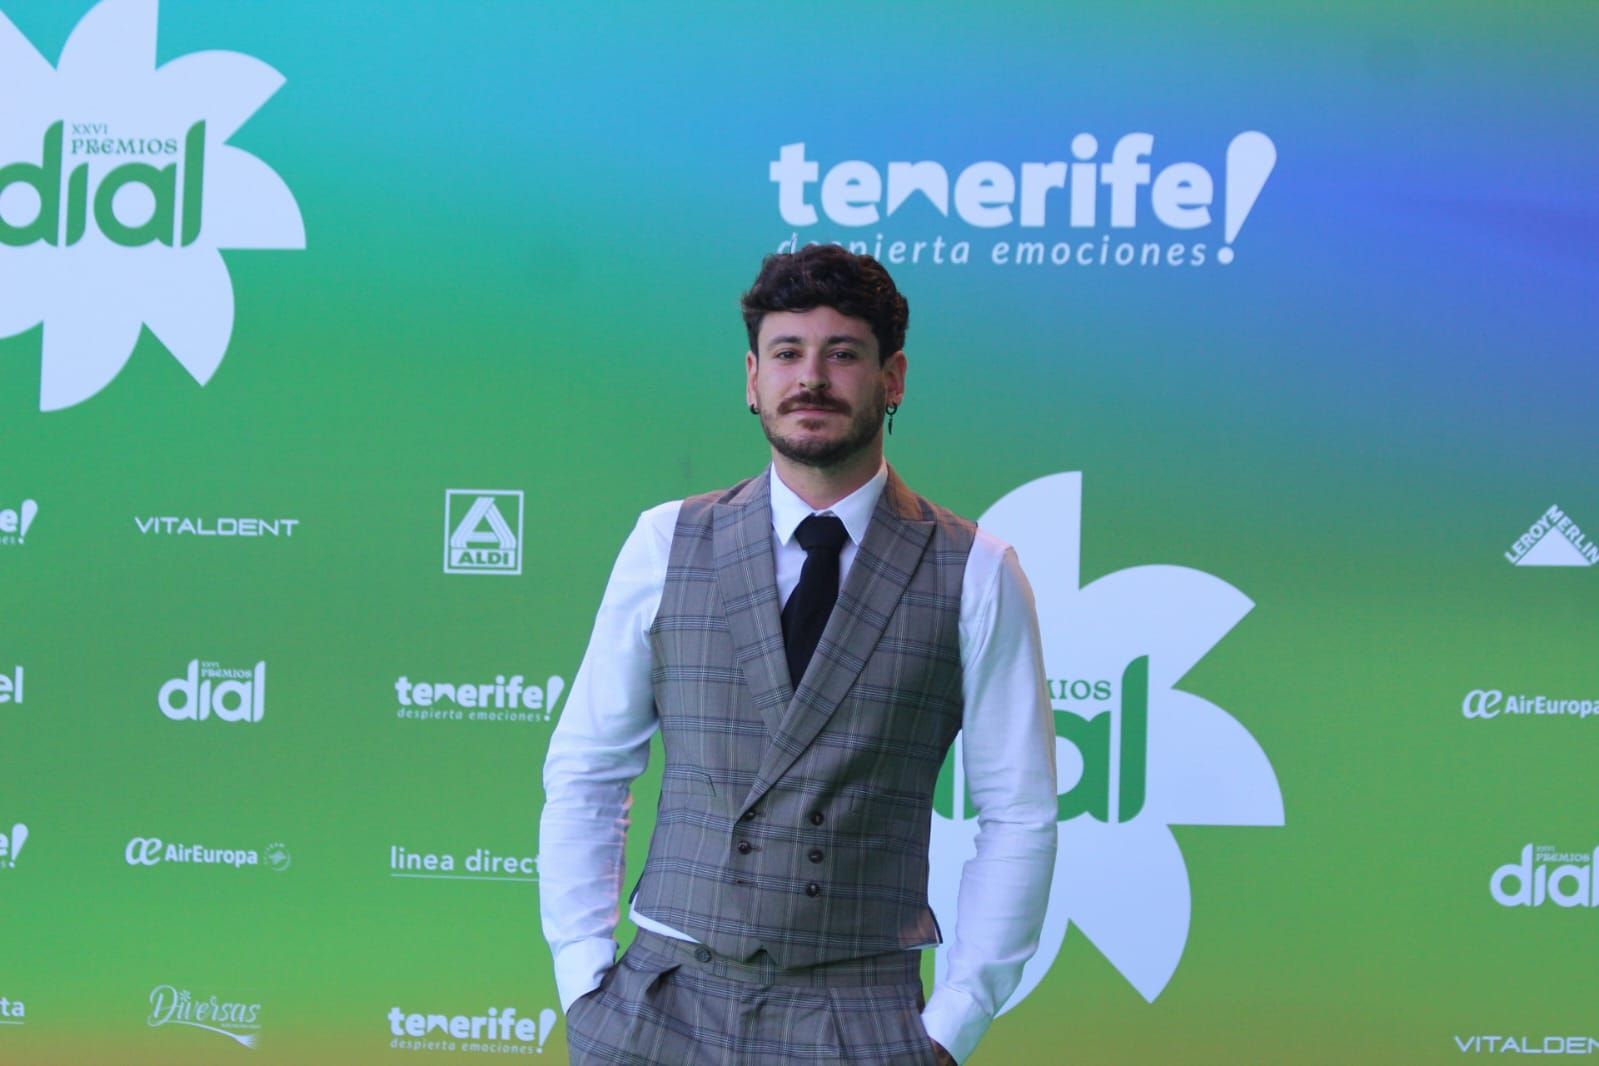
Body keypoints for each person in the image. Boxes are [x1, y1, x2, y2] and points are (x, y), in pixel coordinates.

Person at [539, 245, 1057, 1065]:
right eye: (786, 353)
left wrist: (952, 1024)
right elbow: (586, 771)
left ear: (892, 379)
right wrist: (584, 979)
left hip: (859, 1014)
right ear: (752, 379)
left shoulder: (977, 570)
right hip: (660, 1003)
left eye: (841, 354)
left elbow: (1018, 811)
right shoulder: (666, 540)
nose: (810, 378)